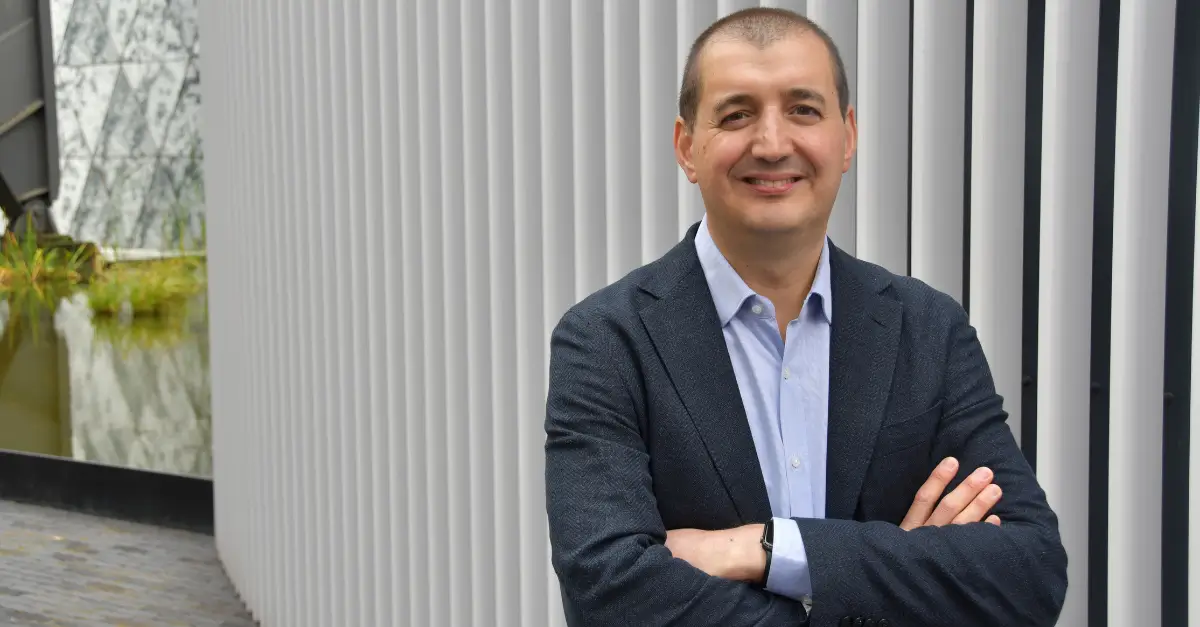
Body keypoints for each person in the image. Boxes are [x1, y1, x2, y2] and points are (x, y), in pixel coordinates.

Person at [543, 7, 1067, 627]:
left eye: (803, 110)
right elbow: (609, 597)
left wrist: (765, 549)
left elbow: (1028, 573)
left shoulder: (927, 329)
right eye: (736, 114)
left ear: (847, 137)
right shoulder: (607, 340)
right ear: (687, 148)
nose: (772, 144)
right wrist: (891, 581)